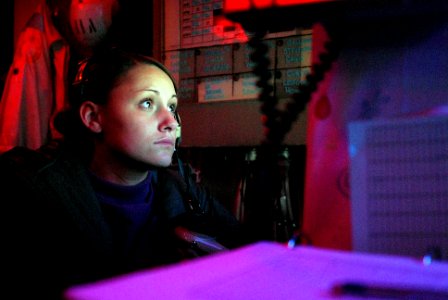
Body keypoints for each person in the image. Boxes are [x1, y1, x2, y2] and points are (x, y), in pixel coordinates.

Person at [0, 47, 249, 299]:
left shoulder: (178, 185)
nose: (171, 122)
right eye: (148, 103)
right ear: (93, 117)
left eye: (172, 106)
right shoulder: (31, 190)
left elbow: (243, 246)